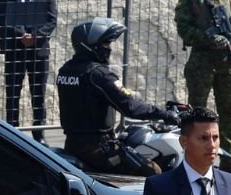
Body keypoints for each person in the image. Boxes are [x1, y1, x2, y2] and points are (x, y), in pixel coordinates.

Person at [56, 17, 182, 177]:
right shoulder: (99, 75)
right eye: (105, 44)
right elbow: (130, 106)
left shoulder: (65, 70)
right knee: (154, 172)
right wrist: (165, 114)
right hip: (98, 149)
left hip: (73, 144)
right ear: (91, 46)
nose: (109, 49)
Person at [176, 0, 231, 176]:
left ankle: (228, 158)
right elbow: (183, 28)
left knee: (228, 110)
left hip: (227, 63)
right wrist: (207, 38)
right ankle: (193, 159)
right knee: (196, 113)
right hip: (202, 62)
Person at [0, 0, 57, 144]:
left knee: (38, 94)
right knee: (13, 93)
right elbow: (0, 19)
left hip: (38, 52)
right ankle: (12, 133)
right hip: (15, 50)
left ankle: (39, 135)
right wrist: (20, 34)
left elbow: (51, 20)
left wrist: (35, 36)